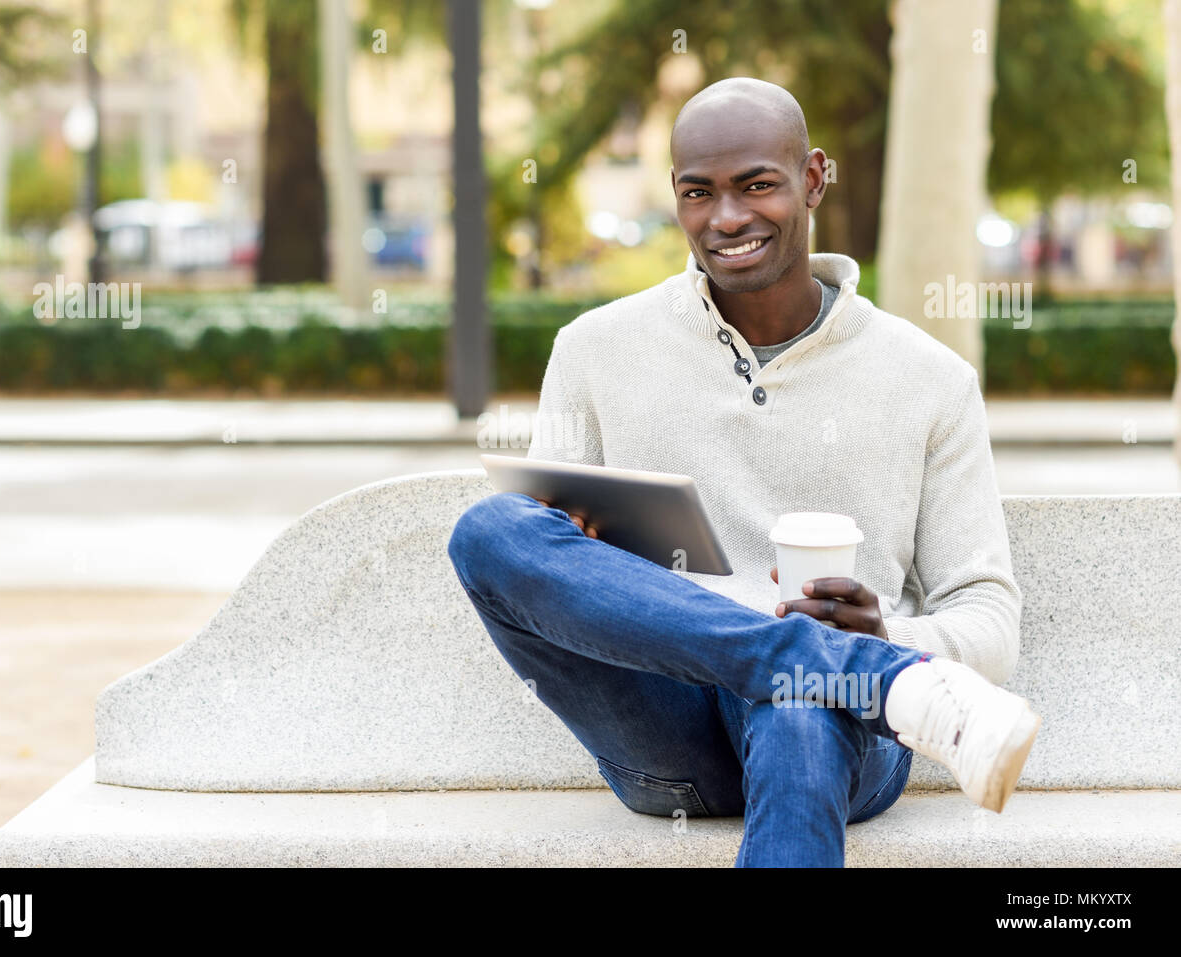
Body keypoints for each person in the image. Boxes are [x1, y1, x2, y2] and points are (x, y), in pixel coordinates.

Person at [446, 77, 1040, 868]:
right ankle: (862, 672)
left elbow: (988, 615)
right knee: (492, 529)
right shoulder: (593, 350)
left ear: (814, 179)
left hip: (844, 736)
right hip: (666, 731)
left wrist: (888, 633)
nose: (727, 219)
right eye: (700, 193)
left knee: (798, 698)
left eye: (757, 184)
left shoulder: (930, 379)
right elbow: (549, 572)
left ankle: (844, 665)